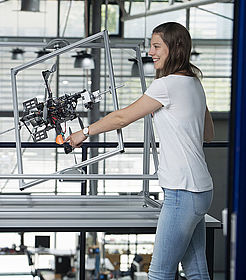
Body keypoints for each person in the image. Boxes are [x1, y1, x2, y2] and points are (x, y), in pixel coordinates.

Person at [66, 22, 214, 280]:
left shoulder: (166, 85)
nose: (151, 52)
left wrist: (84, 132)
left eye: (157, 46)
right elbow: (208, 134)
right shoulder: (193, 83)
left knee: (159, 273)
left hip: (182, 190)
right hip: (202, 190)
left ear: (176, 48)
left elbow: (122, 117)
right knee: (197, 269)